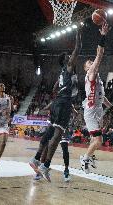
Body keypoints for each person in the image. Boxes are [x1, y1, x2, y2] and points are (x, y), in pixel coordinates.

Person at [33, 28, 82, 182]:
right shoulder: (67, 69)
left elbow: (54, 88)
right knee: (57, 135)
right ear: (67, 61)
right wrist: (78, 35)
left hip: (59, 103)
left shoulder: (62, 73)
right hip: (63, 103)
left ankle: (36, 160)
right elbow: (78, 49)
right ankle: (45, 165)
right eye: (69, 58)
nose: (71, 58)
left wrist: (59, 97)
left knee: (50, 133)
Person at [80, 22, 113, 174]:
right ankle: (84, 159)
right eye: (89, 63)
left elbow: (102, 98)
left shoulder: (98, 80)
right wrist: (102, 36)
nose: (91, 62)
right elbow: (100, 54)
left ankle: (88, 157)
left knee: (96, 140)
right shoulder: (90, 74)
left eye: (91, 62)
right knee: (98, 140)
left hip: (98, 109)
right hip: (91, 111)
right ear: (87, 68)